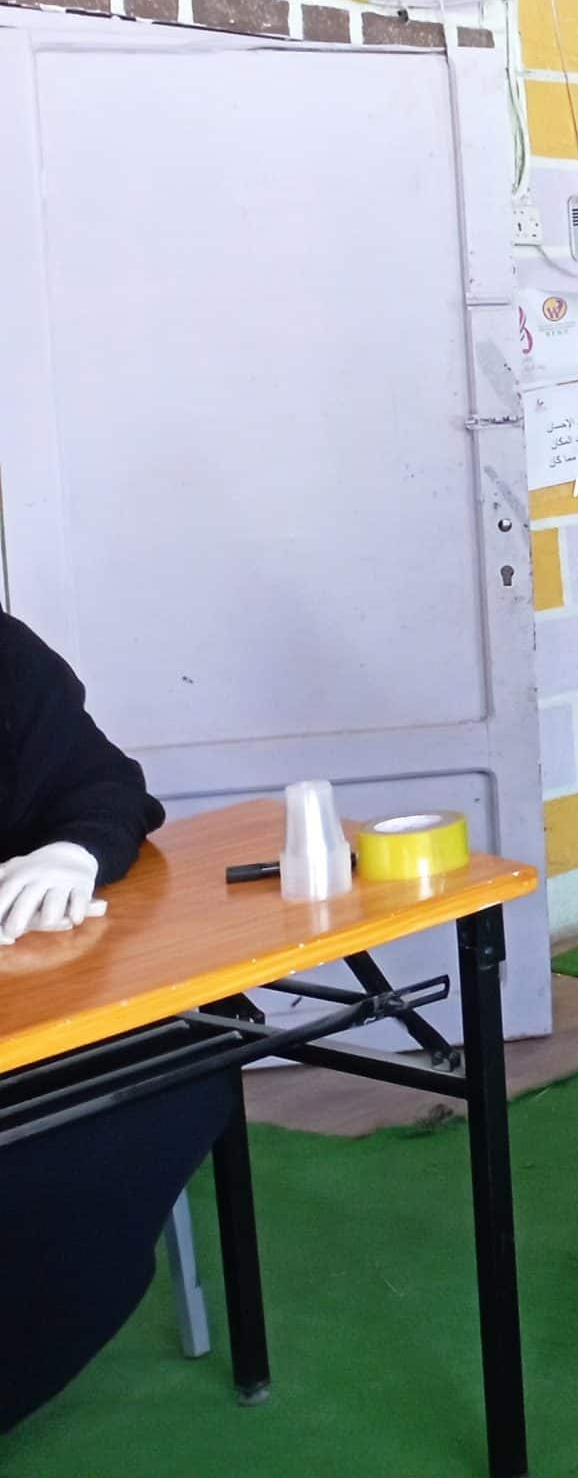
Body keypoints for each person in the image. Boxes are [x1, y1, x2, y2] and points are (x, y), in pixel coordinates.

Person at [0, 611, 233, 1433]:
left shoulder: (3, 655)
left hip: (40, 1019)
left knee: (184, 1067)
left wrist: (73, 851)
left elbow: (105, 786)